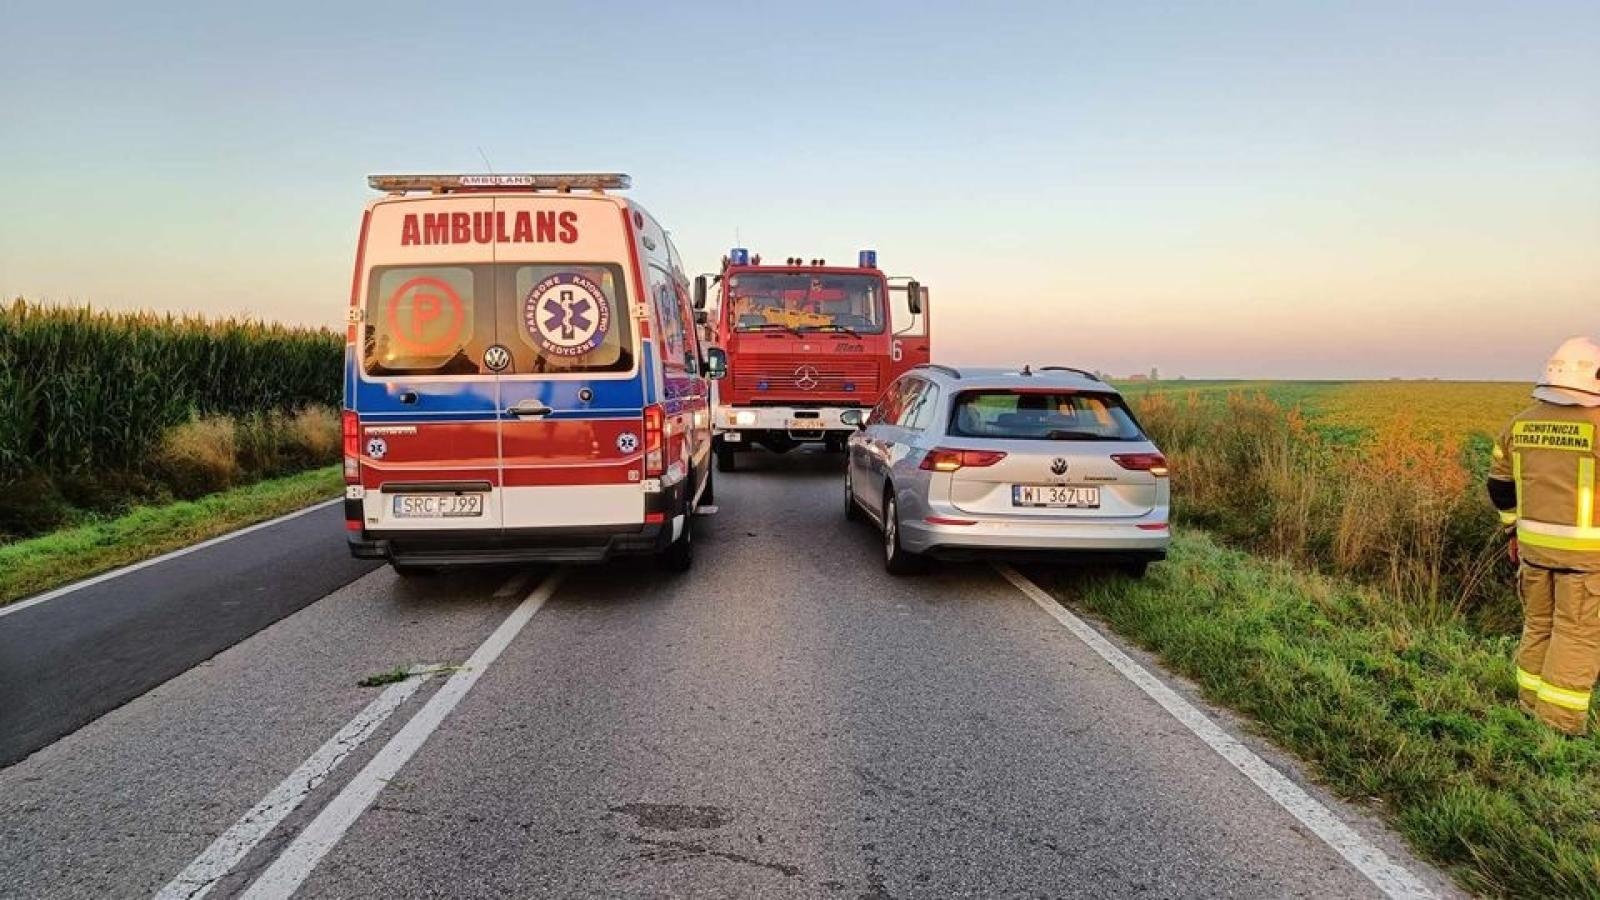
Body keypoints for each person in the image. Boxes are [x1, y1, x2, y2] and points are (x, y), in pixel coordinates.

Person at [1488, 337, 1600, 735]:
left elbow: (1499, 483)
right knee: (1577, 635)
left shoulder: (1520, 423)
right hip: (1588, 560)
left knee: (1538, 626)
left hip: (1533, 551)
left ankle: (1529, 705)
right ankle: (1557, 726)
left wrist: (1511, 530)